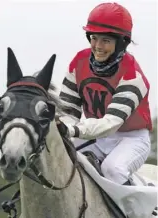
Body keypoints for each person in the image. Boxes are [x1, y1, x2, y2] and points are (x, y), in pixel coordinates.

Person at [57, 2, 152, 186]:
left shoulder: (133, 76)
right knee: (58, 154)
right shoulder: (78, 62)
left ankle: (140, 210)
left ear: (121, 43)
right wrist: (64, 127)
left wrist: (74, 130)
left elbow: (110, 123)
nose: (98, 46)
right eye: (94, 38)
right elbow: (67, 110)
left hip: (131, 139)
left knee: (112, 170)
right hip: (96, 137)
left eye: (106, 41)